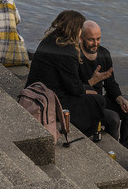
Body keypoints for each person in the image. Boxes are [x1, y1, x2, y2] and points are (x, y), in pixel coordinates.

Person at [28, 10, 105, 140]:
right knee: (99, 100)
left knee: (90, 91)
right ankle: (85, 131)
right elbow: (73, 86)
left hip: (37, 89)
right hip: (53, 99)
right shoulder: (67, 51)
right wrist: (85, 90)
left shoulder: (50, 39)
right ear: (76, 29)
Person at [79, 21, 128, 140]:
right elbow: (72, 87)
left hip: (100, 100)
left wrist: (120, 99)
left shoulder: (104, 54)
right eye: (91, 40)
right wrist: (92, 81)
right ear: (81, 38)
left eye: (98, 39)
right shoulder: (75, 56)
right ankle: (110, 148)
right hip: (82, 102)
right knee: (113, 118)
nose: (95, 43)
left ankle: (124, 147)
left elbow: (111, 84)